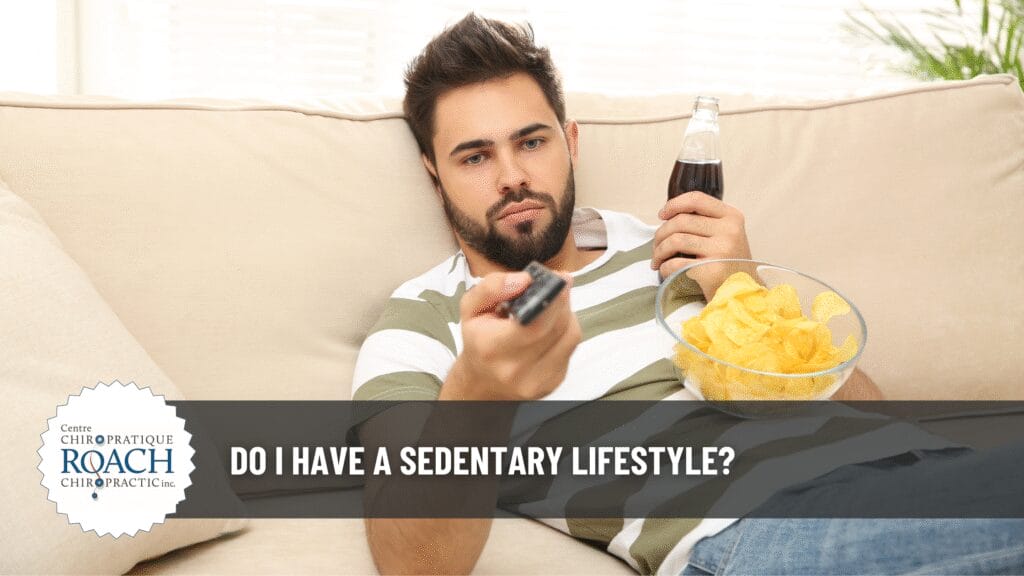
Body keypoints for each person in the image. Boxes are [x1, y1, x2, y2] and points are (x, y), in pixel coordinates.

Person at [351, 13, 1022, 575]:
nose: (512, 177)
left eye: (531, 142)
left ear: (571, 143)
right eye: (475, 157)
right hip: (767, 530)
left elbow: (876, 417)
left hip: (921, 469)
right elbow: (409, 560)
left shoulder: (678, 245)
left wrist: (746, 289)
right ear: (434, 175)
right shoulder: (423, 323)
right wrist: (480, 393)